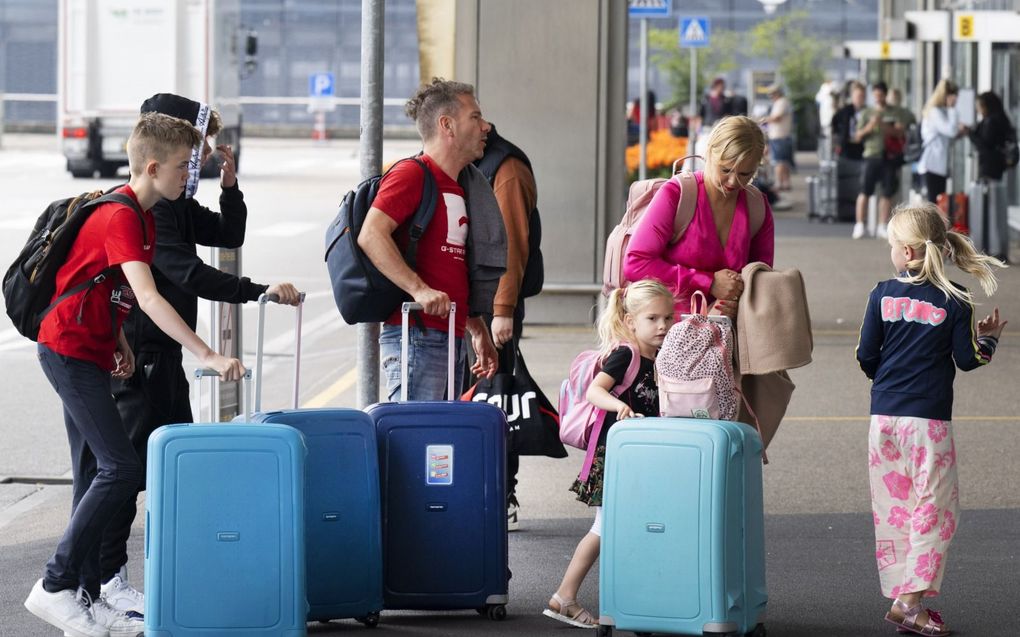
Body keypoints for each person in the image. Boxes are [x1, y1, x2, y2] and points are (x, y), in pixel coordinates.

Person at [23, 113, 245, 637]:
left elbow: (110, 288)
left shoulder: (146, 218)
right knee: (119, 468)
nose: (190, 176)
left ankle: (83, 594)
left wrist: (119, 341)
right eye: (182, 167)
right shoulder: (122, 215)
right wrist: (207, 353)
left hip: (94, 351)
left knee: (93, 473)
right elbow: (148, 295)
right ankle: (54, 586)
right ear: (152, 166)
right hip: (68, 350)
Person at [89, 93, 302, 615]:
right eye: (196, 150)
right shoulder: (147, 210)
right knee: (128, 471)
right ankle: (106, 581)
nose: (202, 160)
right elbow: (186, 274)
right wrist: (256, 292)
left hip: (166, 355)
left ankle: (169, 570)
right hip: (138, 353)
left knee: (175, 468)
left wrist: (231, 188)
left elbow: (229, 234)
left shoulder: (177, 204)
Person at [856, 203, 1006, 637]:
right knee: (935, 510)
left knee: (896, 507)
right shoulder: (955, 299)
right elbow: (968, 359)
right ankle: (911, 603)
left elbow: (866, 354)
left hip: (882, 418)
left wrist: (885, 380)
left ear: (904, 252)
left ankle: (903, 594)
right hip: (928, 423)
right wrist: (989, 341)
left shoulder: (881, 293)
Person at [542, 279, 675, 629]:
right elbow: (594, 392)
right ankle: (564, 597)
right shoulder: (626, 354)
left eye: (668, 318)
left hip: (640, 458)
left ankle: (636, 600)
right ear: (631, 321)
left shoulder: (660, 356)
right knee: (605, 527)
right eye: (653, 319)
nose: (663, 326)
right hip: (616, 457)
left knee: (627, 526)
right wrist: (620, 407)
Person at [358, 78, 501, 401]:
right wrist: (419, 289)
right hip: (417, 336)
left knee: (438, 446)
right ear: (447, 125)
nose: (486, 126)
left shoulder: (462, 185)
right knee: (418, 442)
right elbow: (372, 234)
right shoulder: (412, 174)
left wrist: (477, 330)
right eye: (475, 117)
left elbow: (451, 268)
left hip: (449, 334)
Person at [623, 115, 775, 321]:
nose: (732, 182)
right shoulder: (677, 194)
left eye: (745, 174)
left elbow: (761, 278)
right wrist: (708, 282)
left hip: (728, 336)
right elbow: (636, 263)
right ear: (709, 153)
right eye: (725, 169)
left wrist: (735, 299)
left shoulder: (757, 206)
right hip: (667, 335)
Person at [470, 123, 541, 531]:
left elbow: (511, 243)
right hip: (473, 307)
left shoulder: (506, 167)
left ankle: (502, 492)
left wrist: (503, 309)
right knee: (478, 397)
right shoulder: (475, 160)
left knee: (497, 400)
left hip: (495, 308)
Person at [852, 82, 914, 240]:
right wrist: (870, 126)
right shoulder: (866, 113)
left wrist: (882, 125)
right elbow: (857, 136)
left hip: (889, 156)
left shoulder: (895, 112)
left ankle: (881, 225)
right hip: (871, 154)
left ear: (885, 95)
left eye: (881, 95)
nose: (878, 98)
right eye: (875, 96)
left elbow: (899, 132)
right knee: (865, 190)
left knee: (887, 192)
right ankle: (860, 224)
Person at [968, 91, 1015, 262]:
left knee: (988, 205)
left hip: (989, 167)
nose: (978, 109)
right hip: (998, 168)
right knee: (996, 204)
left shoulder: (991, 121)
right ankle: (996, 246)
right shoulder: (1001, 119)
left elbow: (984, 145)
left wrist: (970, 134)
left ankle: (988, 245)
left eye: (980, 106)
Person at [917, 80, 964, 206]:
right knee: (933, 204)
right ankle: (931, 226)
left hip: (939, 166)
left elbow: (948, 135)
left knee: (938, 202)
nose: (956, 100)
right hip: (932, 164)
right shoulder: (935, 112)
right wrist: (952, 109)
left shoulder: (941, 112)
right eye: (954, 97)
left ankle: (935, 226)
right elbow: (951, 130)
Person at [761, 84, 794, 191]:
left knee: (778, 161)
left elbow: (777, 118)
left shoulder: (781, 102)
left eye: (772, 94)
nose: (770, 96)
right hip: (782, 136)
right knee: (784, 161)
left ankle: (779, 183)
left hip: (779, 136)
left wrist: (763, 119)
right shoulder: (783, 102)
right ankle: (786, 183)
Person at [832, 81, 867, 161]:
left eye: (862, 96)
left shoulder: (867, 112)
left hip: (862, 148)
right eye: (858, 96)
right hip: (846, 147)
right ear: (852, 96)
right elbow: (835, 125)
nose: (860, 99)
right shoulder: (844, 111)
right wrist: (839, 139)